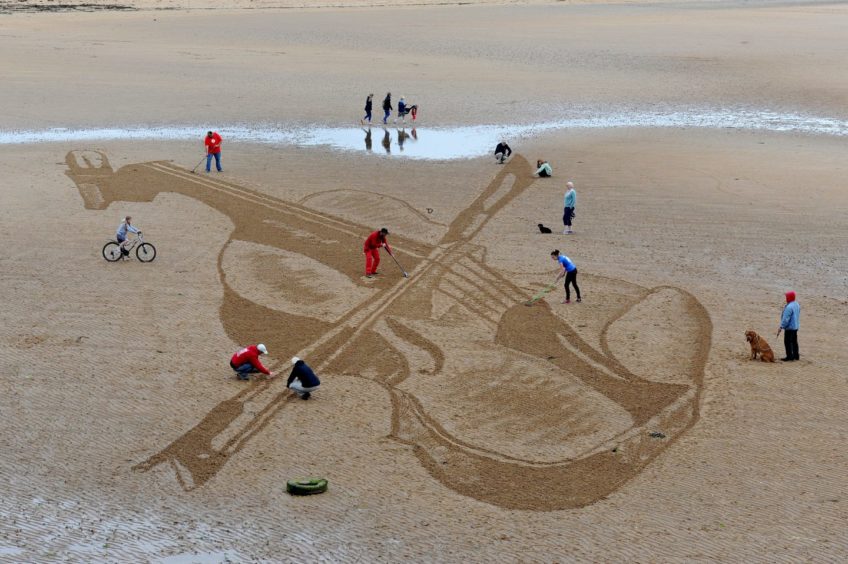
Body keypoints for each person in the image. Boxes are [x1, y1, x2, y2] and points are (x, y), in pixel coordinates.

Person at [777, 291, 800, 361]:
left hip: (789, 328)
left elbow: (786, 319)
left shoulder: (789, 307)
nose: (786, 298)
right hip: (795, 326)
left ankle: (790, 356)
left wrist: (781, 327)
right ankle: (796, 355)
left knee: (787, 342)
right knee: (794, 341)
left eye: (786, 297)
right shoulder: (796, 304)